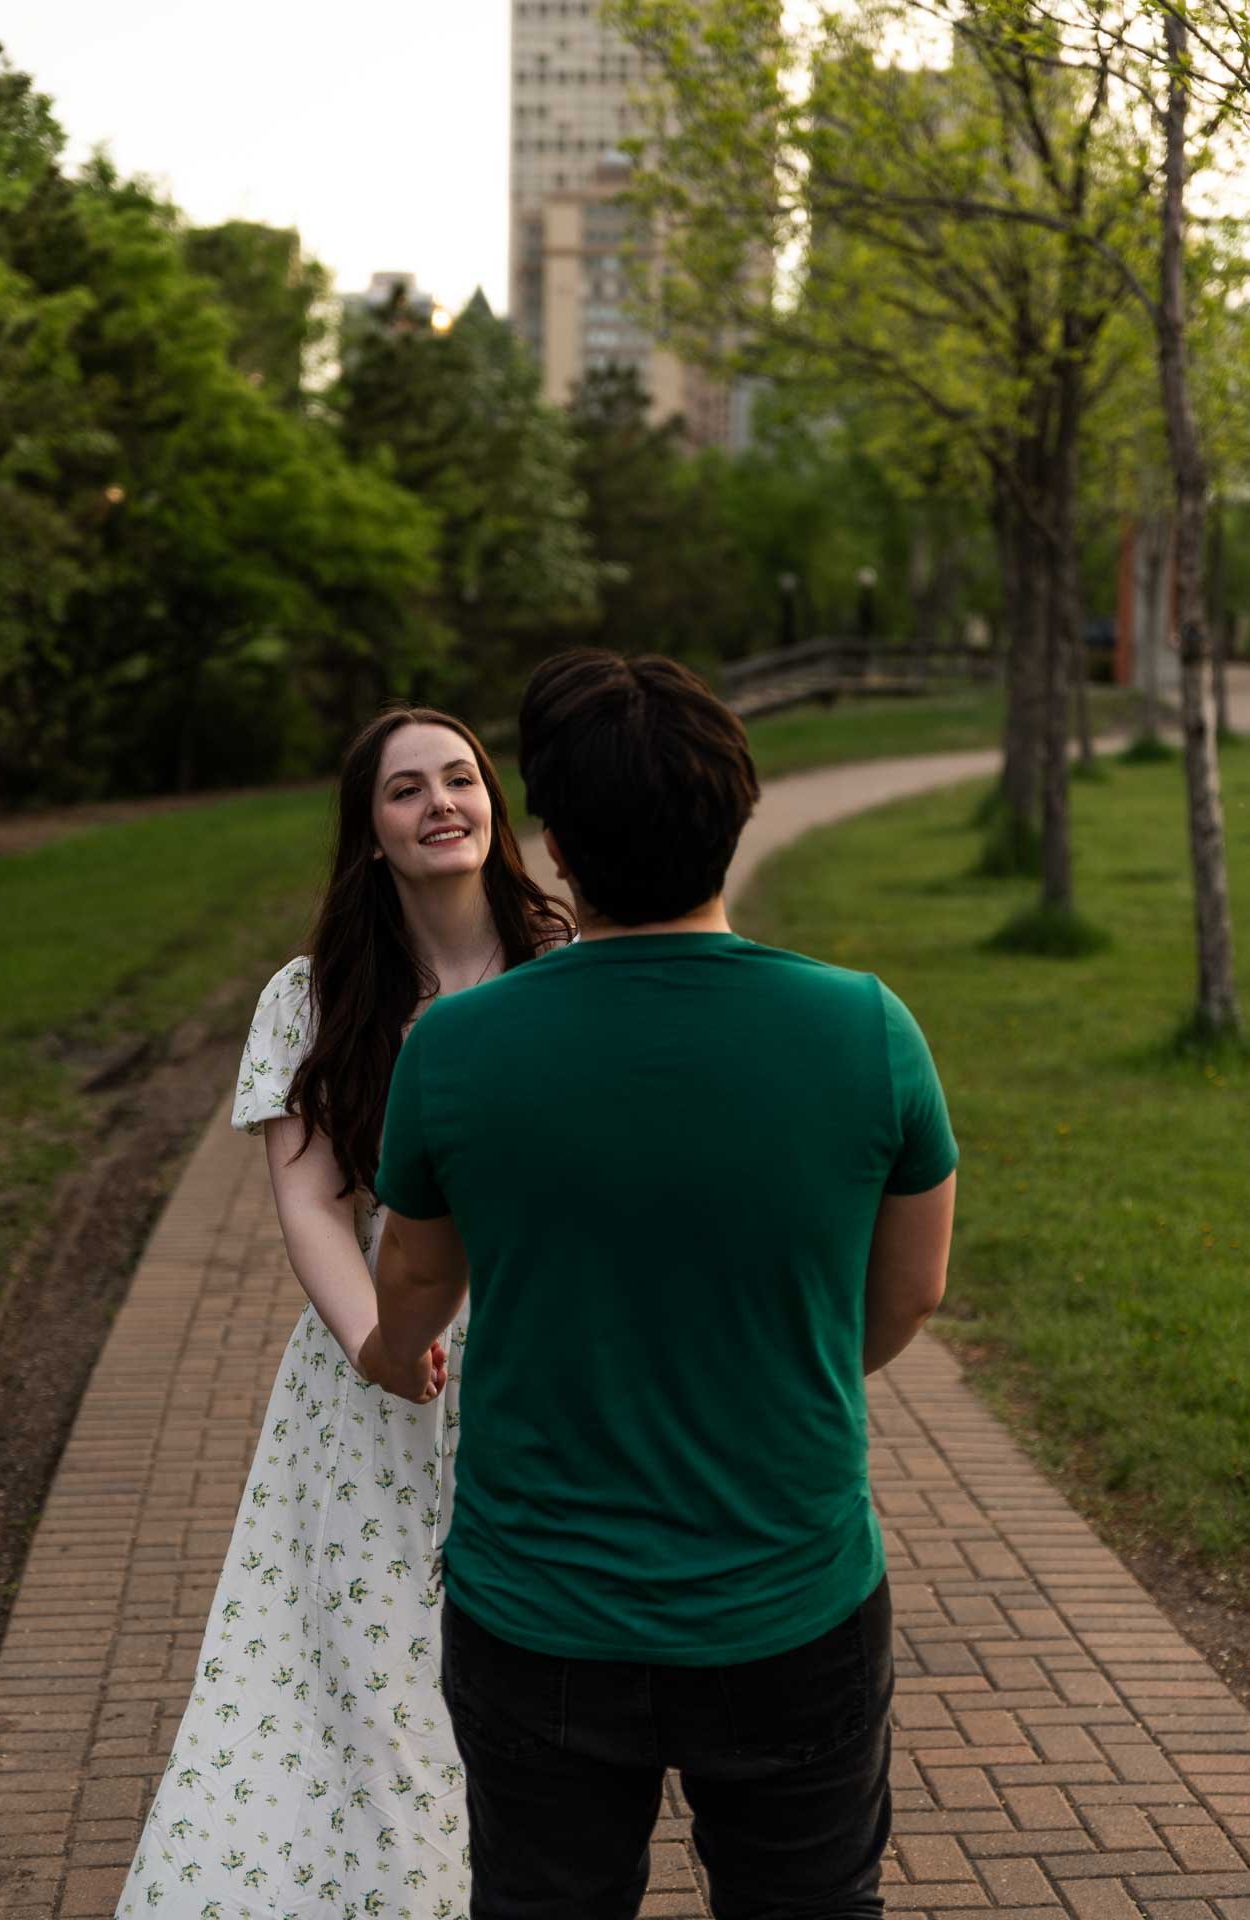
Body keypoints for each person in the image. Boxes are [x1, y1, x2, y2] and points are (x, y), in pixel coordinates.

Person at [368, 650, 958, 1920]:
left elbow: (409, 1285)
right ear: (734, 814)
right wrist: (765, 1363)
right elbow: (908, 1296)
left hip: (538, 1616)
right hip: (790, 1596)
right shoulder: (867, 1028)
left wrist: (383, 1352)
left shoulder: (456, 1049)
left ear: (558, 846)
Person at [115, 705, 571, 1920]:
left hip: (542, 1353)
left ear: (494, 804)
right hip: (373, 1358)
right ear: (368, 832)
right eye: (405, 790)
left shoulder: (567, 958)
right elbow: (309, 1201)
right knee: (374, 1676)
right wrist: (376, 1340)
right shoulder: (312, 994)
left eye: (461, 779)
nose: (440, 805)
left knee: (521, 1677)